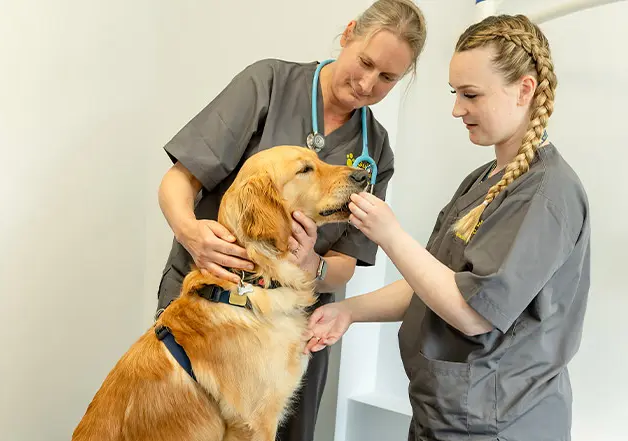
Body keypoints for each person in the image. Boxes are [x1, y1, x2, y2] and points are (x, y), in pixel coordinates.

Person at [305, 13, 590, 441]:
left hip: (496, 425)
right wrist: (348, 311)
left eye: (471, 95)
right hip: (443, 413)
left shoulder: (546, 195)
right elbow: (434, 280)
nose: (457, 109)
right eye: (456, 94)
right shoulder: (483, 181)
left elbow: (473, 312)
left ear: (524, 89)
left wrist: (389, 234)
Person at [154, 1, 427, 439]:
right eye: (366, 62)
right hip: (211, 305)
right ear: (349, 34)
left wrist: (311, 266)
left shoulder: (375, 148)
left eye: (388, 78)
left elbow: (345, 263)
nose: (367, 83)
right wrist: (190, 232)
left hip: (288, 322)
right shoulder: (269, 84)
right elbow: (178, 181)